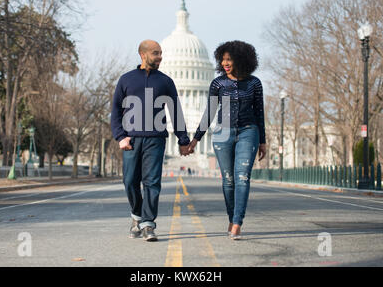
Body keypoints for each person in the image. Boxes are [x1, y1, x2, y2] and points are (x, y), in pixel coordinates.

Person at [111, 39, 193, 242]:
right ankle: (136, 216)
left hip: (155, 139)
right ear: (143, 54)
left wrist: (183, 140)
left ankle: (148, 224)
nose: (160, 57)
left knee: (152, 182)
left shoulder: (165, 81)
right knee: (130, 181)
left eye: (160, 53)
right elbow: (115, 111)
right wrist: (120, 136)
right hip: (131, 139)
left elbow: (175, 111)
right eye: (156, 53)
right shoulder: (126, 80)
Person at [188, 40, 266, 240]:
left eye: (229, 59)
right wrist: (196, 139)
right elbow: (210, 112)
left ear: (241, 59)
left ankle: (238, 222)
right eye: (222, 60)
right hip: (223, 132)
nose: (225, 63)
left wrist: (262, 141)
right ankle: (232, 218)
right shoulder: (218, 83)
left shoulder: (254, 83)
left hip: (248, 131)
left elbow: (259, 113)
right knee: (228, 180)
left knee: (242, 177)